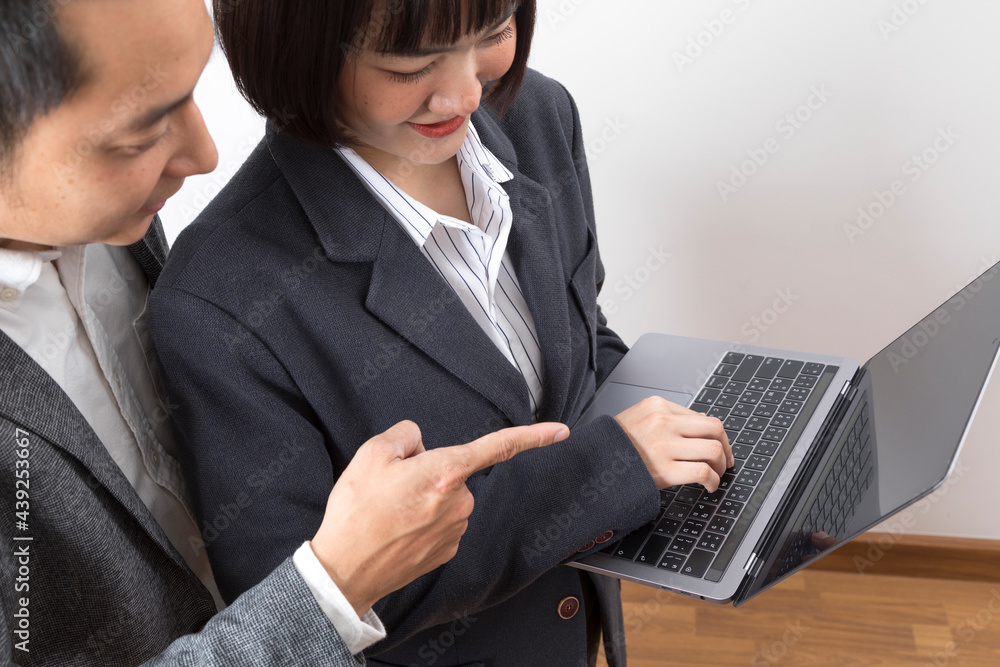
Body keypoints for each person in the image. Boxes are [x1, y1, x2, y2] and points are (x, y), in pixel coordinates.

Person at [149, 1, 735, 665]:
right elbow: (319, 603)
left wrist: (703, 456)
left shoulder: (541, 115)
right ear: (301, 50)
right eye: (412, 63)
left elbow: (581, 339)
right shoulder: (219, 298)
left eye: (493, 33)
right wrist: (612, 467)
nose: (465, 92)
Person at [0, 0, 569, 664]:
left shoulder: (101, 218)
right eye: (139, 136)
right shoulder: (221, 273)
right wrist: (333, 586)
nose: (205, 154)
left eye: (191, 93)